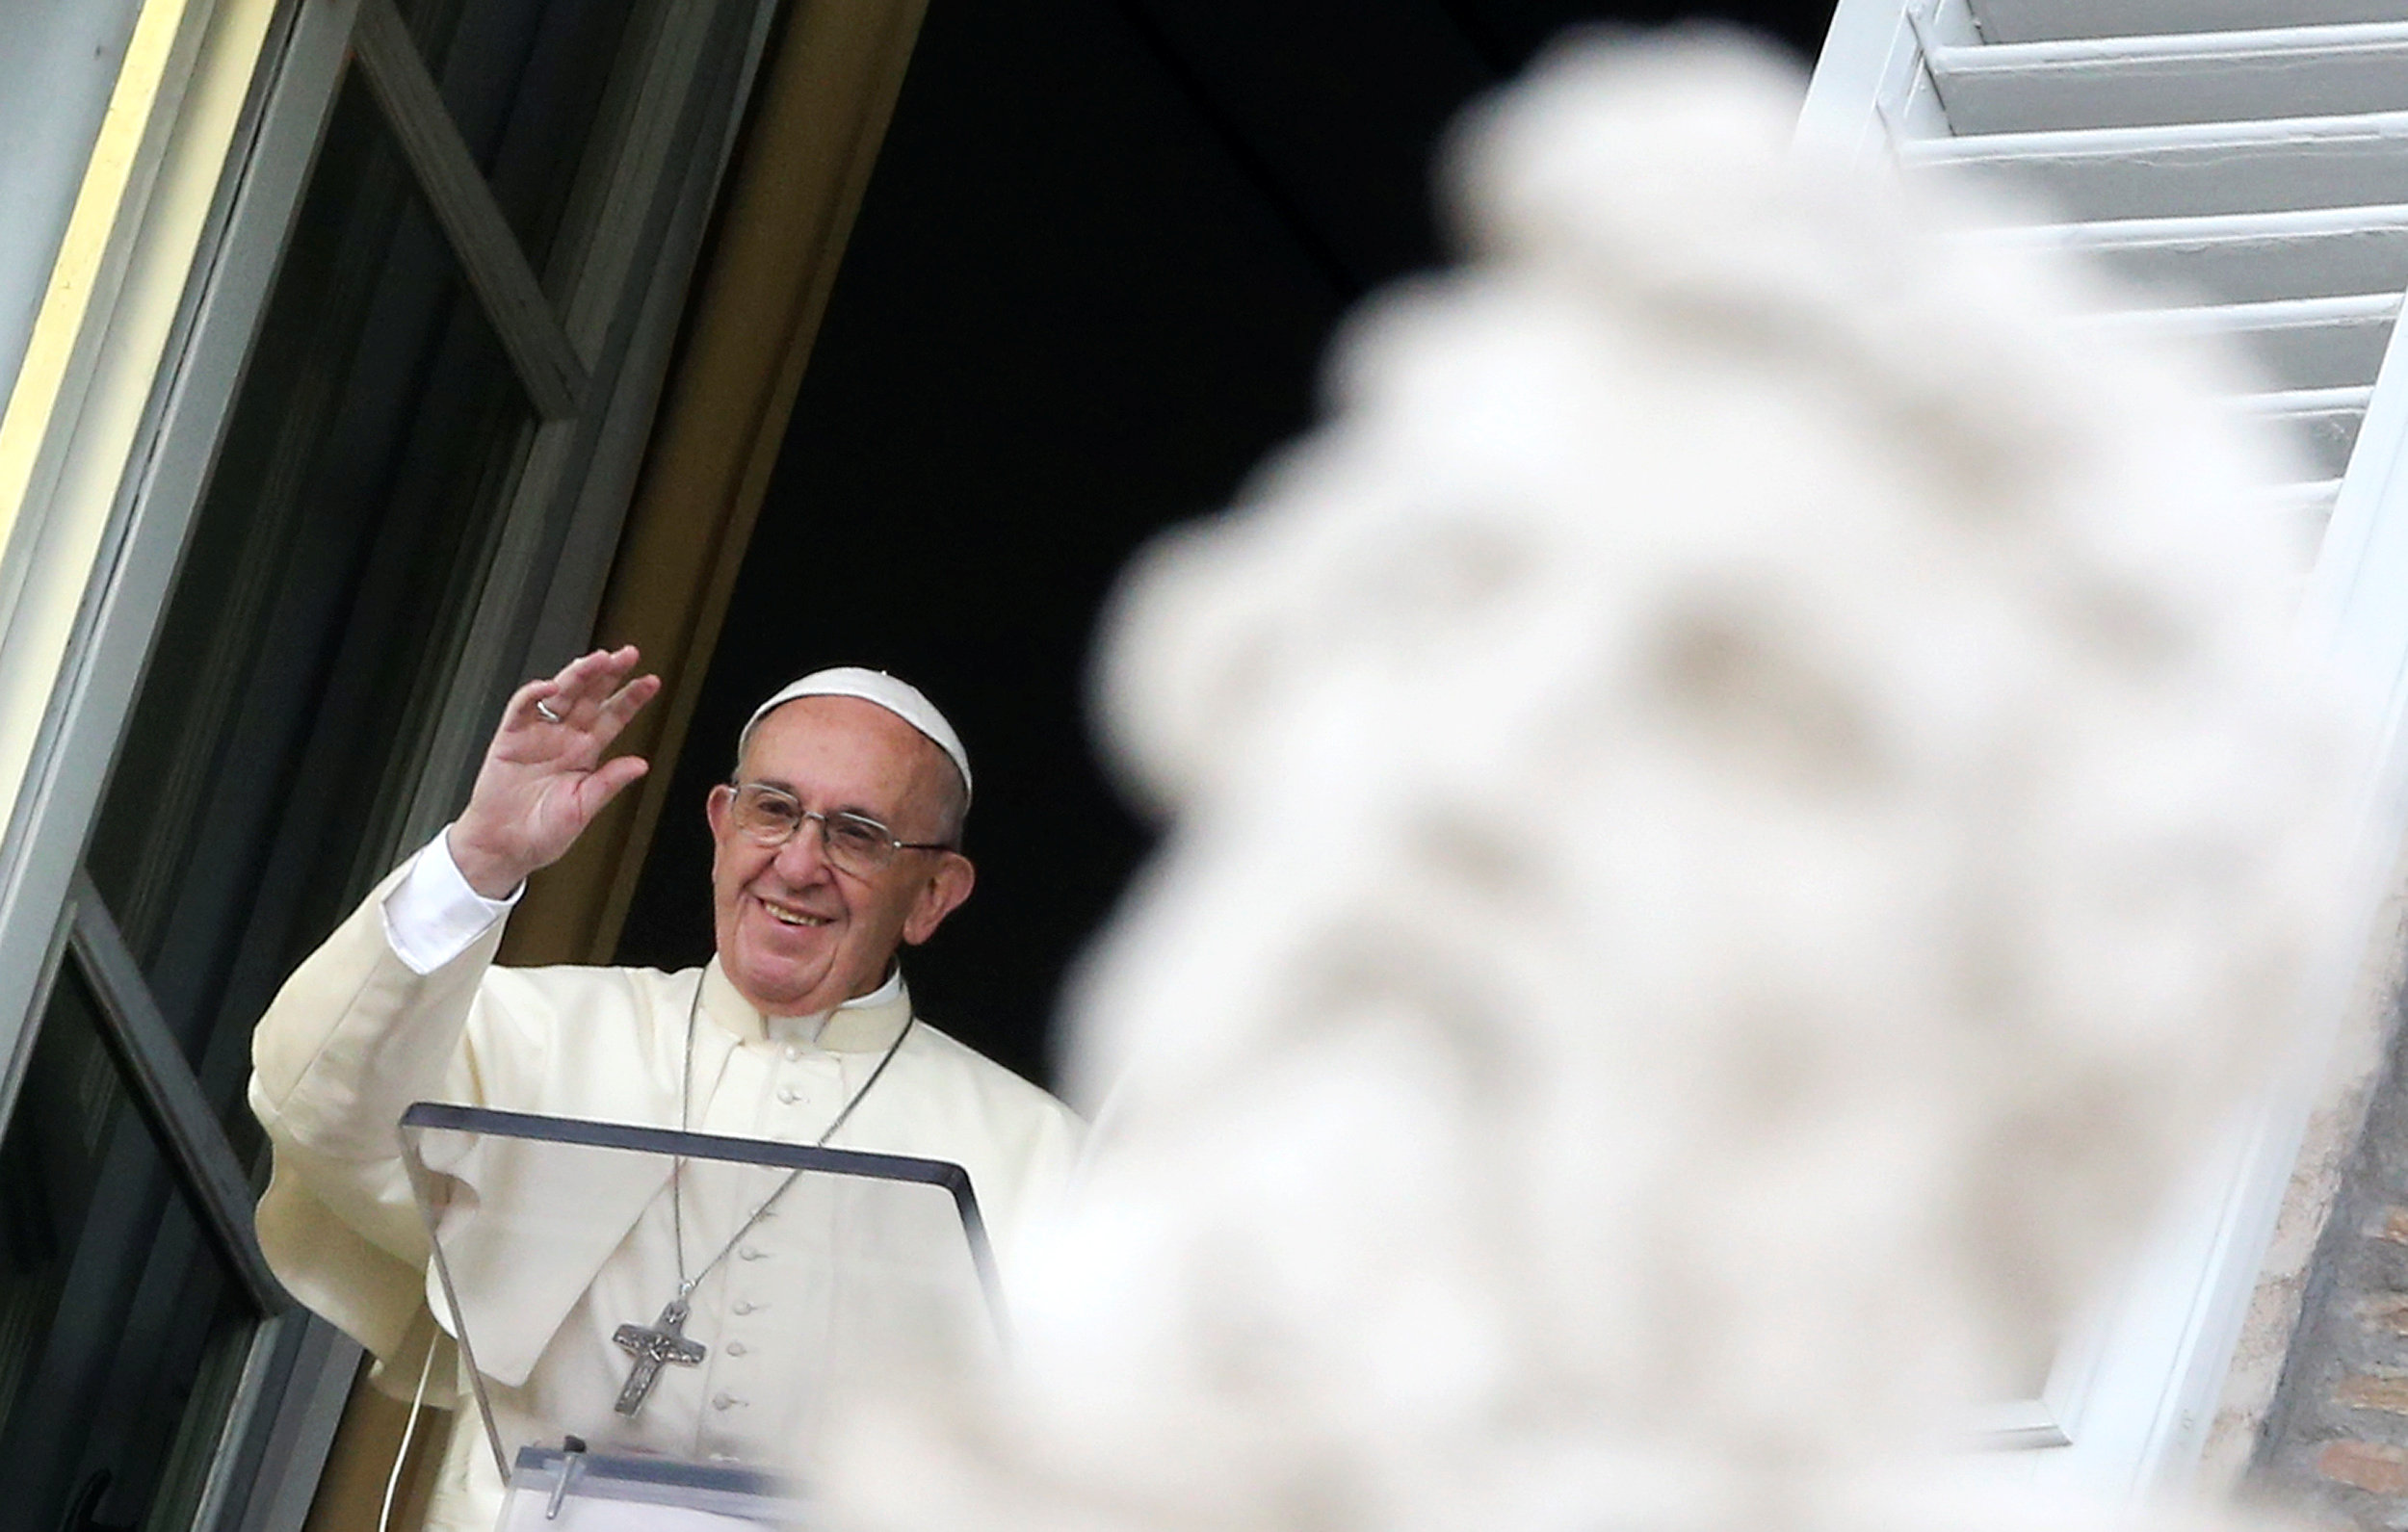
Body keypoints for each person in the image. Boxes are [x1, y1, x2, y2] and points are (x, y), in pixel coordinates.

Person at [247, 646, 1082, 1530]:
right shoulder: (536, 1035)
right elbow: (317, 1110)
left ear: (932, 896)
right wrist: (479, 861)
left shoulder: (1041, 1157)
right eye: (773, 810)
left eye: (857, 834)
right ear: (721, 824)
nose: (798, 864)